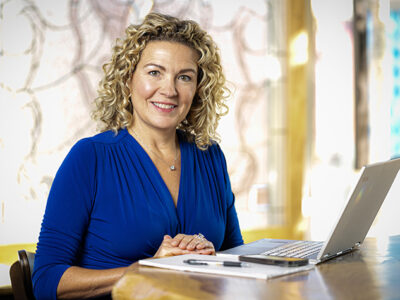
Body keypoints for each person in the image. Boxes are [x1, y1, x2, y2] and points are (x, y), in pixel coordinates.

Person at [32, 12, 243, 299]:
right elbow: (46, 281)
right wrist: (147, 269)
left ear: (198, 89)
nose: (169, 90)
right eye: (154, 72)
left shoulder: (210, 156)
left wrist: (207, 255)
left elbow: (236, 259)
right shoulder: (90, 158)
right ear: (128, 78)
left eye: (184, 77)